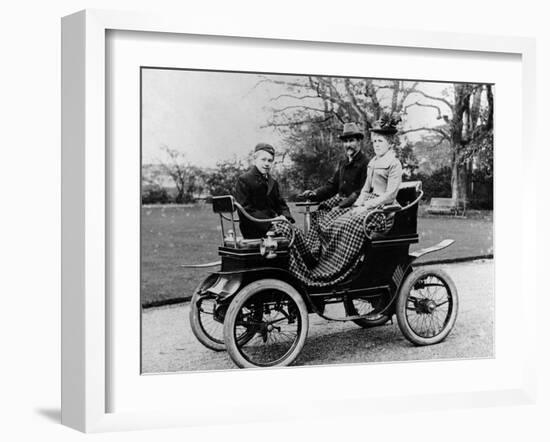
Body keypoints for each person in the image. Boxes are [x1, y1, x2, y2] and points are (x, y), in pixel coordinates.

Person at [281, 115, 403, 287]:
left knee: (344, 225)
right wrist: (358, 206)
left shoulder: (393, 163)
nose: (376, 144)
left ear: (390, 143)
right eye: (375, 141)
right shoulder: (372, 163)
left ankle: (336, 268)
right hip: (365, 205)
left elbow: (389, 195)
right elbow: (365, 189)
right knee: (330, 220)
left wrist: (362, 205)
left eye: (380, 141)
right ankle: (320, 260)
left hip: (383, 209)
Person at [300, 122, 369, 209]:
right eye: (345, 141)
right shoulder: (343, 163)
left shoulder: (366, 163)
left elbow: (362, 191)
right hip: (341, 202)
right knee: (319, 212)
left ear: (359, 141)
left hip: (355, 205)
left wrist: (342, 205)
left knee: (330, 219)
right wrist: (315, 193)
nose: (348, 145)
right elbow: (332, 186)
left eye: (351, 141)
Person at [233, 143, 295, 239]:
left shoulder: (273, 182)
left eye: (270, 161)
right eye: (263, 160)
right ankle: (294, 254)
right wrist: (271, 221)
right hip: (253, 227)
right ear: (255, 160)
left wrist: (285, 217)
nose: (267, 163)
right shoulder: (245, 179)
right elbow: (245, 209)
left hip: (273, 225)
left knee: (295, 231)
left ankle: (303, 254)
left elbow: (281, 204)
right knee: (286, 231)